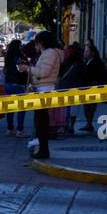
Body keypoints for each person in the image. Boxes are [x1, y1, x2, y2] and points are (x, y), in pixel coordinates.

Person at [29, 30, 62, 160]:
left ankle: (43, 151)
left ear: (42, 42)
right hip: (42, 89)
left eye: (37, 43)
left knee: (42, 123)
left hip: (45, 90)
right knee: (40, 122)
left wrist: (29, 69)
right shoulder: (49, 53)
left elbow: (44, 72)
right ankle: (42, 149)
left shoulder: (50, 53)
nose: (36, 46)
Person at [1, 38, 29, 137]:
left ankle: (9, 128)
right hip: (19, 84)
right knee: (21, 108)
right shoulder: (20, 57)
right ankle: (20, 130)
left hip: (9, 83)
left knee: (10, 108)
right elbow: (24, 70)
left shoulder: (7, 57)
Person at [79, 42, 107, 132]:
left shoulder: (95, 62)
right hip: (88, 86)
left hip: (92, 86)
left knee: (90, 106)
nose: (85, 53)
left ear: (92, 53)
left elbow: (97, 75)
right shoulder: (88, 61)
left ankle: (89, 123)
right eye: (85, 51)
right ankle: (88, 123)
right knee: (88, 106)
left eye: (87, 51)